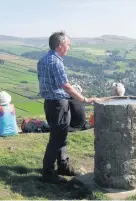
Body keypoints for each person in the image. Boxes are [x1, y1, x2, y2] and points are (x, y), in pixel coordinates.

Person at [37, 31, 100, 184]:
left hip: (49, 103)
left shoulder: (43, 60)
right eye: (68, 45)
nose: (69, 48)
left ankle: (63, 166)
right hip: (58, 104)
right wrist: (84, 99)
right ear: (60, 45)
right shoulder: (56, 62)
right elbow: (65, 86)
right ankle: (48, 173)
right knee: (57, 139)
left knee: (60, 136)